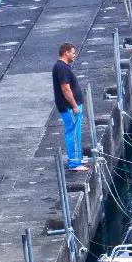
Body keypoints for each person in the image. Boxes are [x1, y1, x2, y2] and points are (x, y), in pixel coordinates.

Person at [52, 43, 88, 171]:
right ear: (66, 52)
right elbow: (66, 89)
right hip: (69, 107)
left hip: (70, 106)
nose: (74, 55)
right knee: (72, 133)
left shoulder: (63, 67)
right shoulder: (62, 68)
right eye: (73, 52)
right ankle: (74, 163)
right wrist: (74, 106)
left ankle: (77, 158)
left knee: (76, 132)